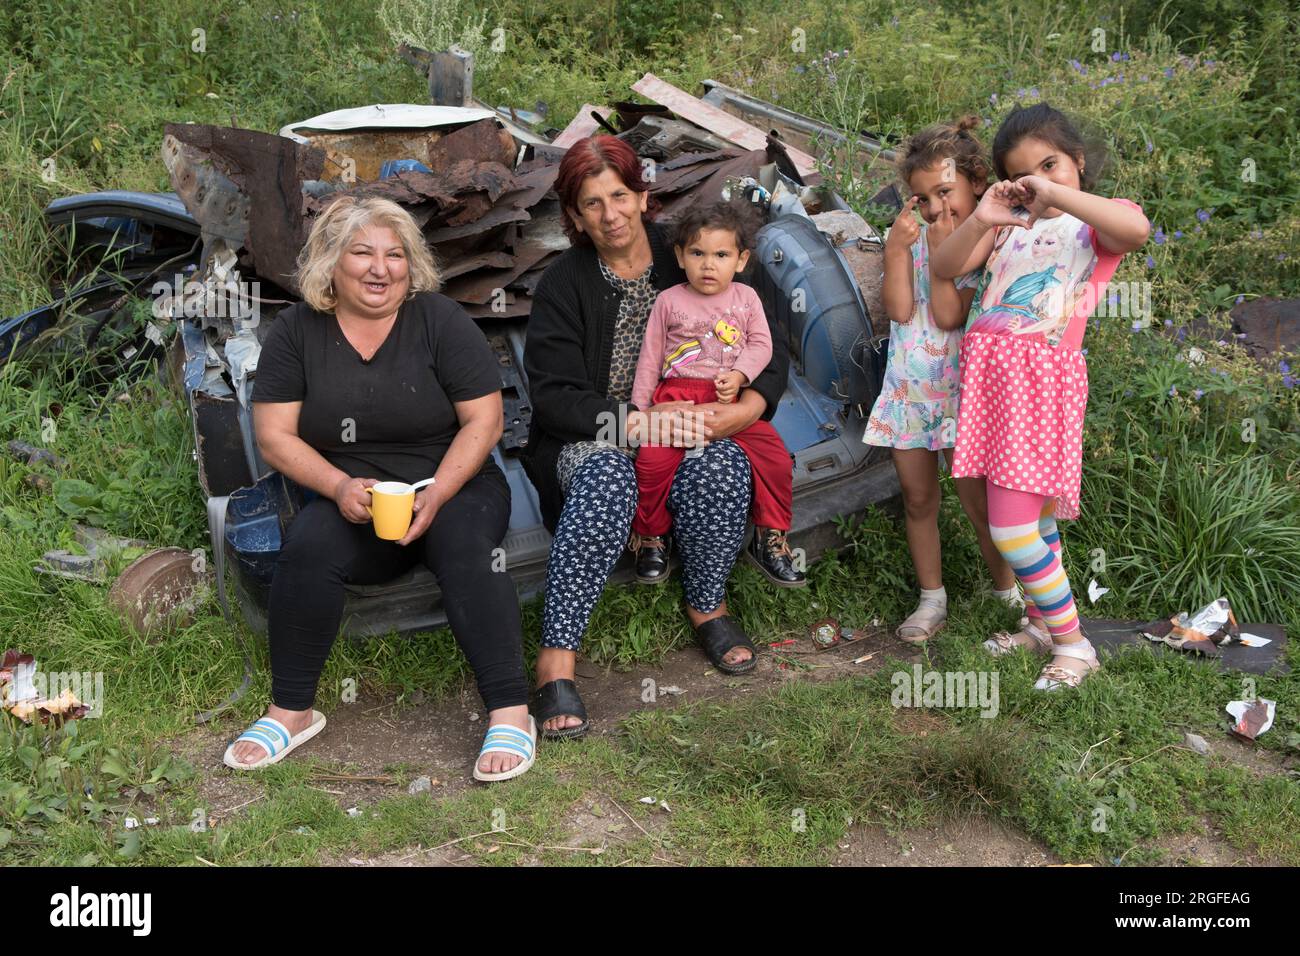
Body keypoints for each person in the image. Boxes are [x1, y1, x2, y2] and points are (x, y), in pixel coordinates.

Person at [224, 195, 536, 781]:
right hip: (354, 496)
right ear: (330, 264)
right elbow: (274, 437)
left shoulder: (439, 320)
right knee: (309, 547)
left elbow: (484, 422)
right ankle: (291, 712)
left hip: (455, 482)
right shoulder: (297, 332)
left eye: (395, 255)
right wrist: (340, 486)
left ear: (410, 266)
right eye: (362, 252)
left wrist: (439, 491)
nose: (380, 268)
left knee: (467, 547)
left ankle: (511, 711)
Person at [521, 135, 791, 739]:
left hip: (696, 419)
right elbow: (555, 398)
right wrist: (638, 423)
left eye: (619, 195)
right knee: (607, 475)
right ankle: (556, 661)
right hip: (597, 435)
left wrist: (745, 409)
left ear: (643, 196)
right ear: (573, 216)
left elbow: (767, 345)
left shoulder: (693, 251)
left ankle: (707, 604)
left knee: (721, 466)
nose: (610, 214)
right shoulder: (563, 285)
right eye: (591, 204)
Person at [931, 103, 1149, 689]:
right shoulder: (1008, 226)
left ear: (1077, 162)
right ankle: (1040, 624)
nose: (1040, 182)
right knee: (1038, 521)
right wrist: (985, 216)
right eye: (1025, 174)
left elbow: (1136, 231)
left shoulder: (1095, 222)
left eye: (1051, 165)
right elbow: (945, 264)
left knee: (1012, 531)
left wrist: (1053, 192)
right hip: (989, 384)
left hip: (1039, 386)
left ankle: (1075, 645)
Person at [864, 116, 1019, 643]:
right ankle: (932, 598)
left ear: (978, 180)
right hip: (912, 384)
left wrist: (937, 256)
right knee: (917, 497)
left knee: (980, 503)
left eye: (945, 192)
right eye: (922, 198)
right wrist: (897, 249)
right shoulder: (921, 237)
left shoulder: (993, 237)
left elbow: (951, 315)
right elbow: (901, 310)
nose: (935, 208)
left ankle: (1010, 592)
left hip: (967, 392)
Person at [630, 200, 804, 589]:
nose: (709, 265)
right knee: (651, 463)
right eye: (698, 253)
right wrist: (641, 411)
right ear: (680, 255)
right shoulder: (669, 300)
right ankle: (652, 537)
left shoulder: (746, 299)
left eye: (721, 255)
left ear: (741, 260)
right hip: (675, 398)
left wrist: (742, 375)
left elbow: (763, 345)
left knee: (775, 458)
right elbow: (650, 357)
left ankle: (769, 536)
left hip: (730, 400)